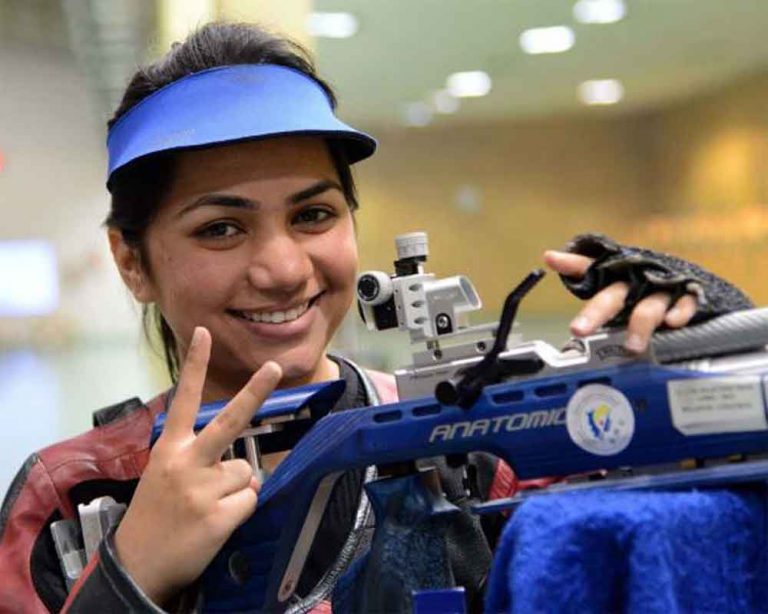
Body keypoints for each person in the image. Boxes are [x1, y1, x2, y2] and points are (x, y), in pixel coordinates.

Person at [0, 21, 750, 613]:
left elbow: (689, 541)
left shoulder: (465, 441)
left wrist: (707, 351)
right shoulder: (73, 499)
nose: (286, 267)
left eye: (314, 214)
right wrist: (128, 579)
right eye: (220, 228)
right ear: (132, 261)